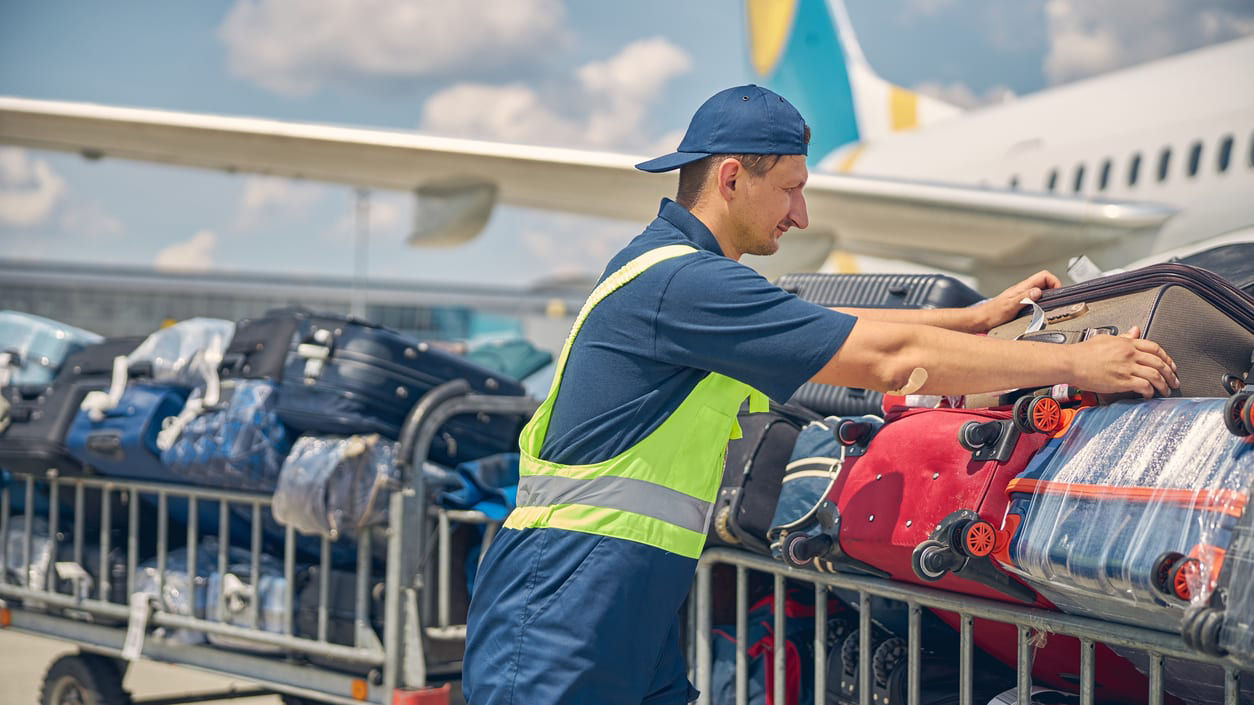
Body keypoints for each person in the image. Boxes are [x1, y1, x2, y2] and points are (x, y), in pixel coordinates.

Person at [462, 85, 1177, 705]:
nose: (800, 214)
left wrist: (973, 317)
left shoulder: (680, 275)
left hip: (622, 597)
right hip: (564, 598)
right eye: (792, 188)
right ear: (733, 177)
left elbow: (830, 324)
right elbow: (889, 360)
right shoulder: (686, 284)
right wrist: (1079, 362)